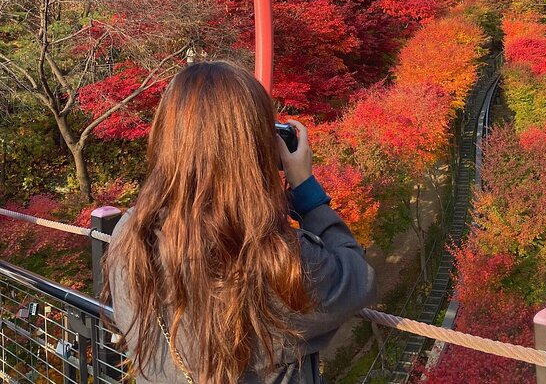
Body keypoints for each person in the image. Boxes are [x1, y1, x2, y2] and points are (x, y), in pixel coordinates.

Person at [102, 61, 376, 384]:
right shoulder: (276, 260)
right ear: (255, 150)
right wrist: (305, 188)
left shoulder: (129, 237)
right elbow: (359, 278)